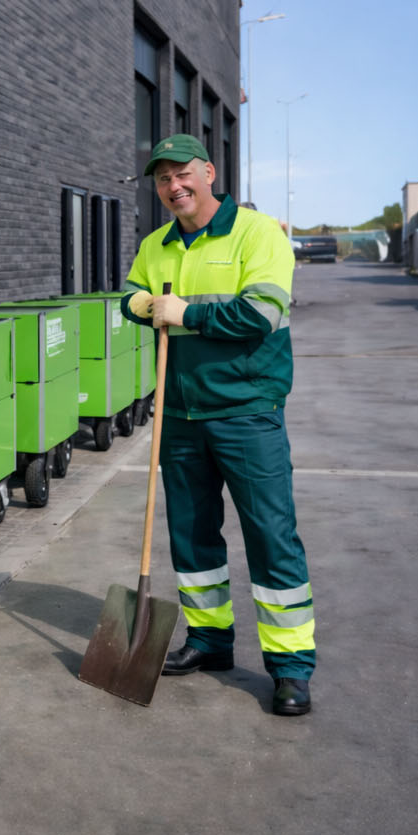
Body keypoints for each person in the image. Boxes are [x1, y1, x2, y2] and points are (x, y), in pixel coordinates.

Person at [121, 133, 316, 716]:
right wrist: (142, 306)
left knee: (270, 536)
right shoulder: (156, 245)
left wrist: (186, 313)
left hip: (246, 412)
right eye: (162, 179)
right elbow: (131, 293)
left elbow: (261, 313)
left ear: (208, 172)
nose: (173, 186)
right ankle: (208, 641)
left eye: (182, 174)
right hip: (179, 415)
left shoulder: (258, 235)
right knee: (192, 536)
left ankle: (290, 667)